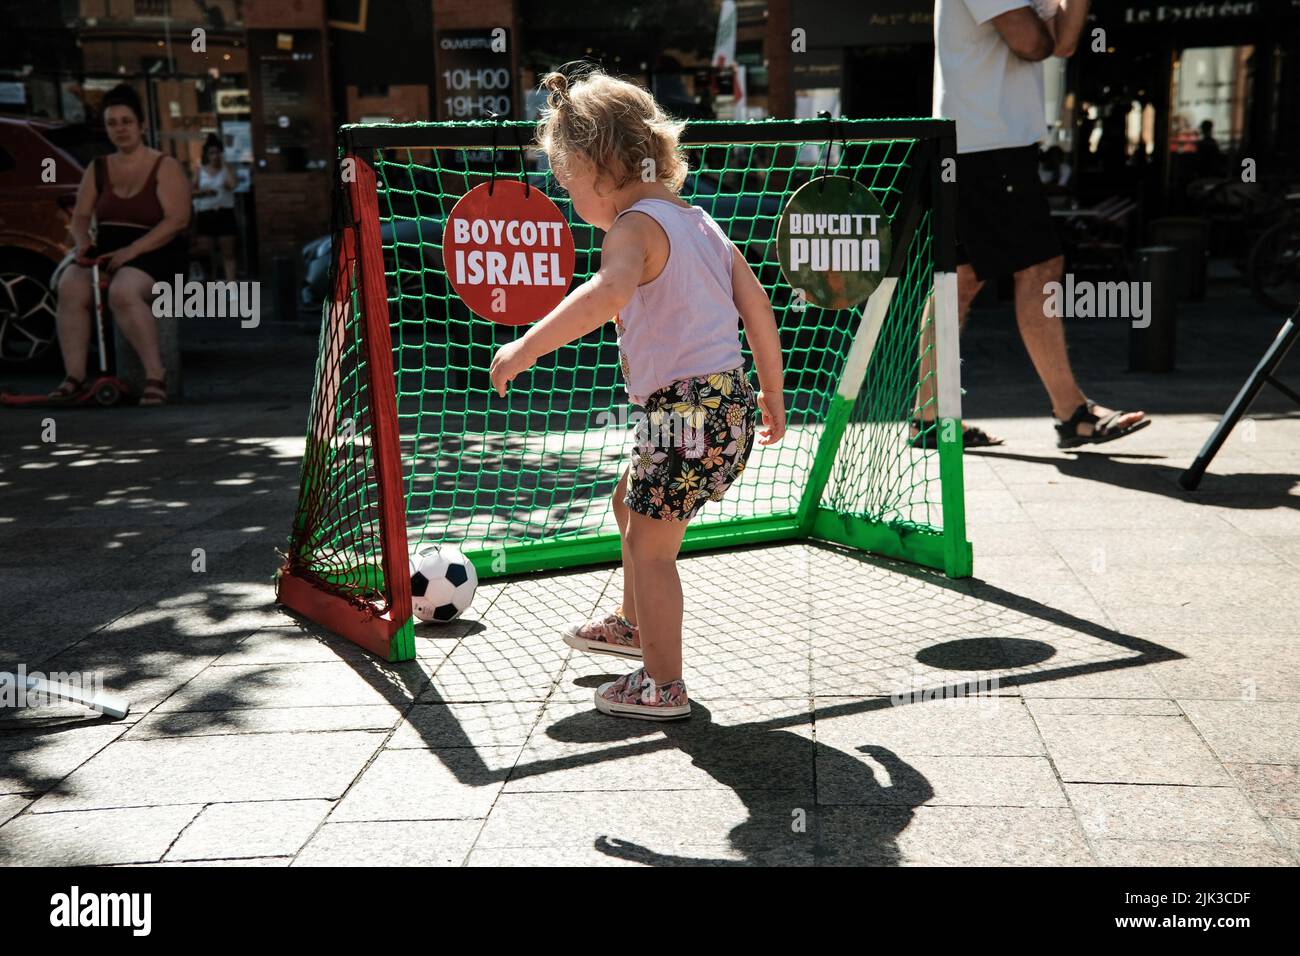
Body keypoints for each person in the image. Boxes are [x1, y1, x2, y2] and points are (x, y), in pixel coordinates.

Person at [489, 68, 787, 721]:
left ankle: (662, 684)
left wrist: (527, 346)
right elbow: (758, 305)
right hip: (727, 406)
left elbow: (607, 295)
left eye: (567, 182)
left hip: (682, 413)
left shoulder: (632, 229)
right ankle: (632, 624)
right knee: (629, 502)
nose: (568, 199)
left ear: (600, 164)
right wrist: (772, 395)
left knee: (651, 551)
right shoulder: (701, 222)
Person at [920, 0, 1149, 448]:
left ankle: (929, 417)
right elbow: (1033, 44)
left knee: (960, 280)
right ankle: (1072, 413)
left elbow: (1062, 44)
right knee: (1041, 267)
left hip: (985, 144)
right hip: (986, 146)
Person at [52, 84, 190, 406]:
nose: (120, 129)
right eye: (113, 123)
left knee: (122, 291)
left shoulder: (164, 165)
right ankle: (74, 376)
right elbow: (81, 217)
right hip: (109, 250)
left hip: (156, 251)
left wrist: (131, 252)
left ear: (141, 125)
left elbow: (177, 220)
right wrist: (82, 242)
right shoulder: (97, 167)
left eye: (126, 121)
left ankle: (156, 376)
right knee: (70, 285)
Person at [192, 133, 239, 281]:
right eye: (211, 153)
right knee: (207, 254)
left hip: (224, 213)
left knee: (228, 253)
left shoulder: (227, 170)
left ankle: (231, 288)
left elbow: (232, 185)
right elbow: (191, 192)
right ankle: (210, 289)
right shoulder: (200, 170)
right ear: (207, 154)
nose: (215, 156)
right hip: (206, 214)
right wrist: (203, 192)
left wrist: (224, 164)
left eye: (217, 152)